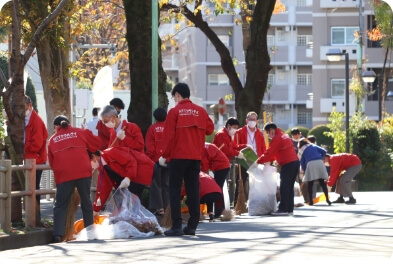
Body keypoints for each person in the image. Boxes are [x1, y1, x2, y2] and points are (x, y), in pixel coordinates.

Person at [160, 83, 214, 236]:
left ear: (177, 95)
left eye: (174, 97)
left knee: (175, 190)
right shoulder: (201, 111)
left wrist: (164, 154)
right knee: (193, 190)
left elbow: (169, 136)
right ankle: (192, 226)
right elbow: (210, 128)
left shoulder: (174, 111)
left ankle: (177, 225)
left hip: (178, 157)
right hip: (195, 157)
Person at [48, 115, 101, 243]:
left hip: (65, 174)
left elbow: (52, 162)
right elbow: (96, 144)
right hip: (83, 171)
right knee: (86, 202)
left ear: (56, 127)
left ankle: (57, 234)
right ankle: (90, 232)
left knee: (60, 205)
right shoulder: (80, 132)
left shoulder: (53, 140)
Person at [100, 105, 145, 198]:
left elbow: (140, 145)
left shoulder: (132, 127)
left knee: (133, 201)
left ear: (113, 117)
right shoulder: (113, 132)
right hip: (121, 172)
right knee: (122, 202)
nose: (105, 124)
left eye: (105, 121)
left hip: (136, 171)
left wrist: (125, 138)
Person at [91, 147, 154, 214]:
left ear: (94, 156)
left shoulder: (111, 153)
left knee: (131, 208)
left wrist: (128, 177)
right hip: (128, 184)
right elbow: (103, 189)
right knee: (129, 210)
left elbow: (131, 161)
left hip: (138, 176)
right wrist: (96, 209)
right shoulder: (102, 168)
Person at [257, 122, 299, 216]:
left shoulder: (277, 137)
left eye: (268, 133)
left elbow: (270, 152)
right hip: (294, 163)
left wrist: (258, 161)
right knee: (289, 187)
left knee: (284, 187)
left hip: (288, 164)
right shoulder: (284, 135)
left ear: (271, 130)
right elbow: (278, 151)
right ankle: (289, 209)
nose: (268, 135)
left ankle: (283, 209)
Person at [234, 111, 266, 207]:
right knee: (240, 181)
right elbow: (235, 146)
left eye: (254, 119)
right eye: (250, 119)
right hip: (244, 159)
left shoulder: (260, 133)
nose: (252, 121)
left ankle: (256, 203)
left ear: (257, 121)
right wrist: (245, 146)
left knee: (256, 183)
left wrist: (263, 160)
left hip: (256, 160)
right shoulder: (239, 132)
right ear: (246, 120)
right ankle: (237, 204)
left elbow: (263, 148)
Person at [24, 95, 48, 219]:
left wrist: (22, 145)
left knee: (34, 189)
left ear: (30, 106)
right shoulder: (26, 119)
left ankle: (35, 216)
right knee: (30, 189)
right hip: (29, 158)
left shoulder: (36, 121)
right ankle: (31, 216)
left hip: (36, 159)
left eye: (24, 108)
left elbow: (36, 145)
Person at [145, 107, 169, 216]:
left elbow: (149, 147)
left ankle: (160, 208)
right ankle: (167, 208)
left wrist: (149, 159)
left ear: (155, 117)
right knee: (167, 185)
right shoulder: (169, 128)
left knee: (156, 185)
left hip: (155, 161)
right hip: (168, 160)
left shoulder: (152, 128)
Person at [297, 138, 331, 206]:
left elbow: (302, 162)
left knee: (310, 183)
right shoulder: (313, 145)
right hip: (319, 162)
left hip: (310, 164)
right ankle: (327, 199)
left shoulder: (301, 151)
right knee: (322, 182)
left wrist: (305, 170)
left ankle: (311, 201)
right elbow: (324, 151)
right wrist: (320, 157)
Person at [201, 143, 230, 219]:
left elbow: (204, 164)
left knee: (216, 189)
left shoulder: (202, 149)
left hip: (221, 166)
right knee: (215, 188)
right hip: (222, 165)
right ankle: (213, 212)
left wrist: (203, 175)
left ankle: (218, 212)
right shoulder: (205, 146)